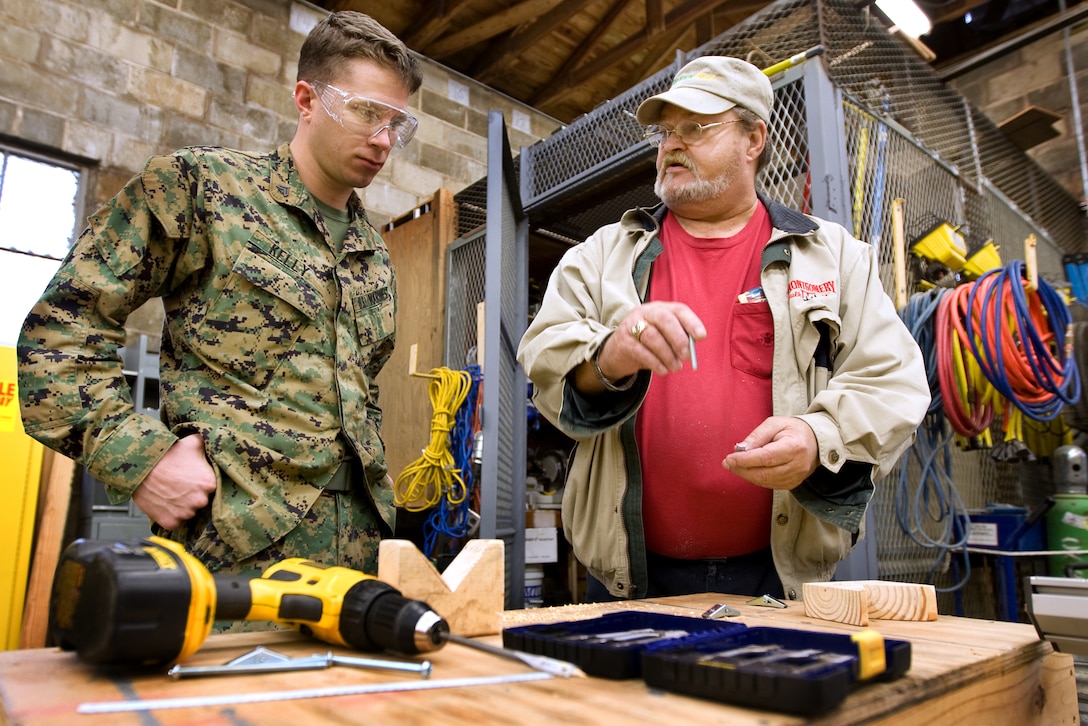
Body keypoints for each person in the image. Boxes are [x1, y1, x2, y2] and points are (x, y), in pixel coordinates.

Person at [17, 12, 422, 584]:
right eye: (365, 112)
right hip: (231, 560)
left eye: (398, 124)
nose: (384, 140)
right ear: (306, 99)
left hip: (357, 563)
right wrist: (140, 458)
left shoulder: (372, 255)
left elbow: (357, 406)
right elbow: (60, 330)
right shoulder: (203, 188)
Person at [516, 56, 930, 602]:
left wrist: (816, 436)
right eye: (665, 131)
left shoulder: (833, 258)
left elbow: (894, 381)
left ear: (753, 138)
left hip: (777, 575)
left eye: (696, 127)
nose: (671, 145)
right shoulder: (600, 256)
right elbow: (544, 358)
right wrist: (610, 353)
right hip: (628, 574)